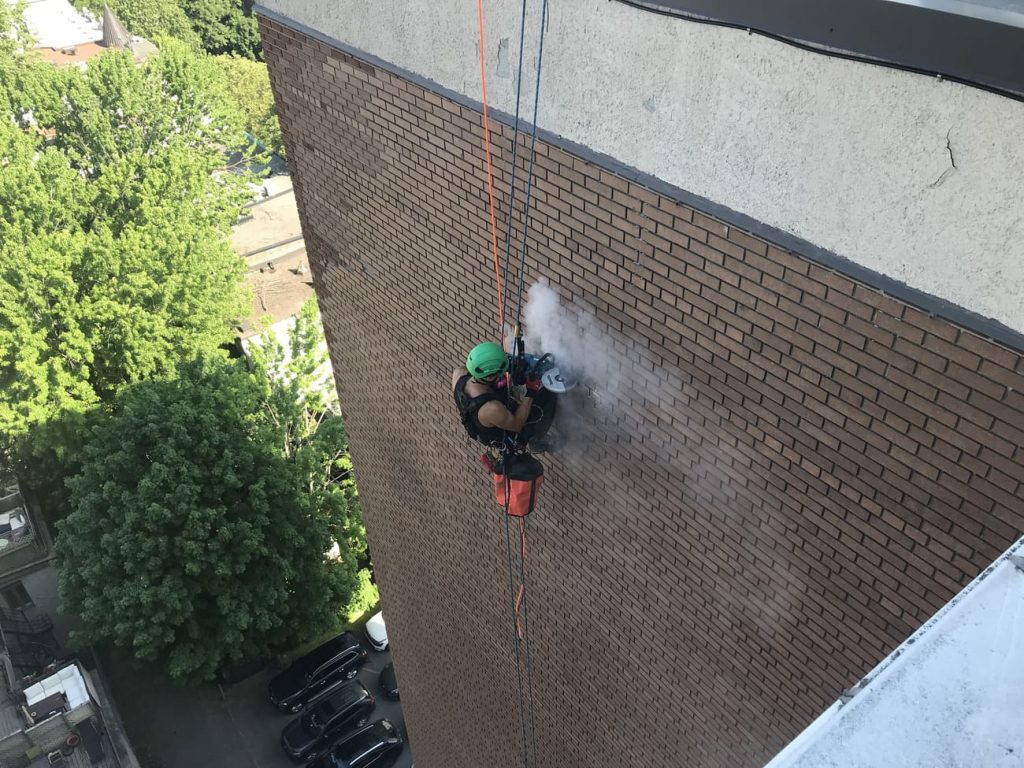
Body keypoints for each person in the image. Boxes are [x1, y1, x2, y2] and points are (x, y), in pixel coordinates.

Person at [452, 341, 557, 451]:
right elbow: (517, 424)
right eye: (498, 372)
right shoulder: (492, 408)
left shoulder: (459, 373)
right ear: (489, 376)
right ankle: (536, 441)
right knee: (546, 398)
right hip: (509, 428)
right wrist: (531, 391)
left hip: (490, 416)